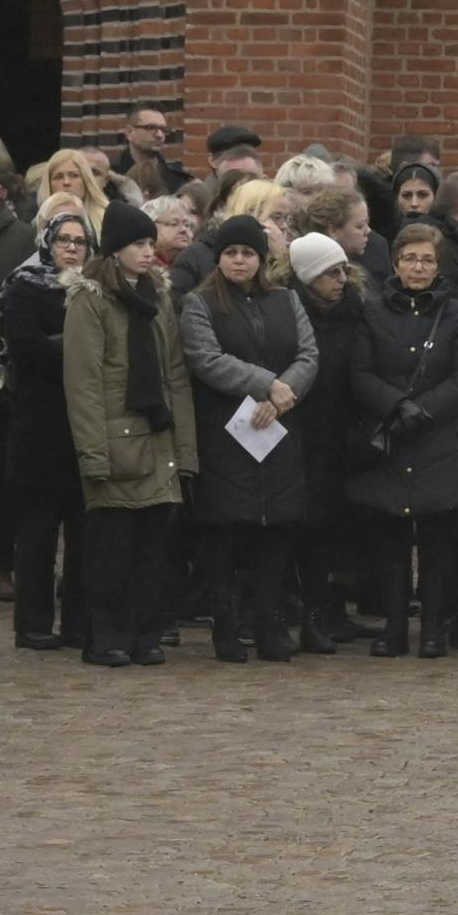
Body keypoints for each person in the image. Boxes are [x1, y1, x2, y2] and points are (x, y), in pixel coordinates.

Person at [342, 218, 458, 653]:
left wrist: (425, 410)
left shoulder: (456, 312)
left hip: (439, 438)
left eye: (427, 260)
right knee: (389, 539)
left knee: (437, 543)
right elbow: (360, 371)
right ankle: (392, 627)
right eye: (410, 259)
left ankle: (432, 628)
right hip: (389, 436)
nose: (419, 267)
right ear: (395, 263)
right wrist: (395, 405)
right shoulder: (372, 310)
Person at [180, 211, 323, 662]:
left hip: (279, 427)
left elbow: (308, 353)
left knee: (276, 531)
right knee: (225, 532)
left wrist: (282, 394)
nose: (239, 261)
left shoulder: (285, 300)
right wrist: (264, 383)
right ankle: (225, 625)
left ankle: (269, 625)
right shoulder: (199, 303)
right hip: (227, 430)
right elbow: (206, 357)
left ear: (261, 260)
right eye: (230, 253)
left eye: (247, 253)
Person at [63, 207, 191, 667]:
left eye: (148, 243)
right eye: (137, 244)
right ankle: (106, 636)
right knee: (110, 551)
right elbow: (84, 382)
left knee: (152, 551)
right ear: (115, 249)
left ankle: (144, 633)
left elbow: (174, 373)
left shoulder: (157, 297)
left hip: (156, 439)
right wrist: (93, 455)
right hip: (114, 438)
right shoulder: (90, 300)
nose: (147, 252)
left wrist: (185, 450)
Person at [0, 203, 84, 647]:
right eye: (63, 239)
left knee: (83, 528)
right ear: (46, 241)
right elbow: (25, 348)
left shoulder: (95, 289)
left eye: (80, 241)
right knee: (38, 530)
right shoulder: (23, 286)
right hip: (36, 421)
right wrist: (81, 344)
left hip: (82, 421)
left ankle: (79, 621)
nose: (71, 248)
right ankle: (34, 623)